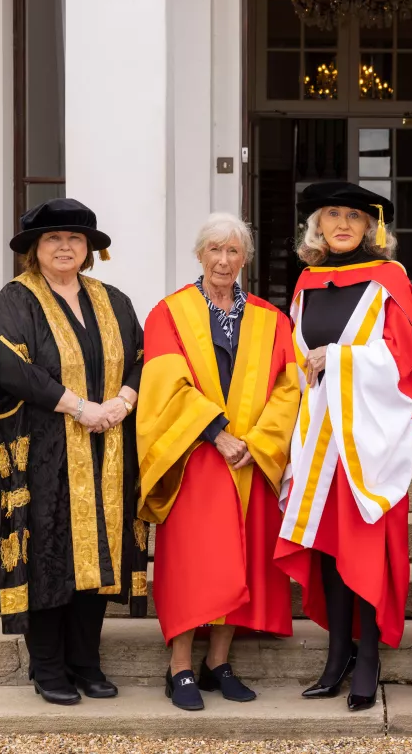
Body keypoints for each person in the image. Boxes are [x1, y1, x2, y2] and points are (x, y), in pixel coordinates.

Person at [0, 198, 149, 706]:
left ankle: (86, 662)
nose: (64, 247)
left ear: (90, 249)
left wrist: (122, 400)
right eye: (53, 239)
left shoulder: (112, 299)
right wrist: (79, 407)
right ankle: (48, 666)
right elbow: (7, 365)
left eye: (75, 239)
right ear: (35, 248)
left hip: (107, 452)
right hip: (44, 455)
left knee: (99, 556)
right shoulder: (18, 299)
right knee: (51, 555)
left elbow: (144, 358)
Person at [136, 213, 300, 711]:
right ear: (199, 255)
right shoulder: (169, 313)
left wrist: (259, 440)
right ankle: (180, 667)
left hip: (251, 457)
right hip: (195, 455)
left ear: (244, 259)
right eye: (214, 250)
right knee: (191, 561)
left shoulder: (272, 320)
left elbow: (287, 389)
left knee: (241, 560)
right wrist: (215, 432)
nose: (223, 260)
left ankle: (219, 663)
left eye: (233, 251)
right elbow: (165, 385)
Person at [273, 182, 412, 712]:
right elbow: (295, 357)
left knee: (365, 549)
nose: (341, 224)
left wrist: (336, 357)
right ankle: (337, 657)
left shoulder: (390, 280)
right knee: (331, 551)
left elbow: (401, 360)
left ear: (371, 227)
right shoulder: (308, 282)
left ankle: (369, 658)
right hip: (318, 439)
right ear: (316, 226)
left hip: (369, 438)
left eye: (354, 216)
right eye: (331, 214)